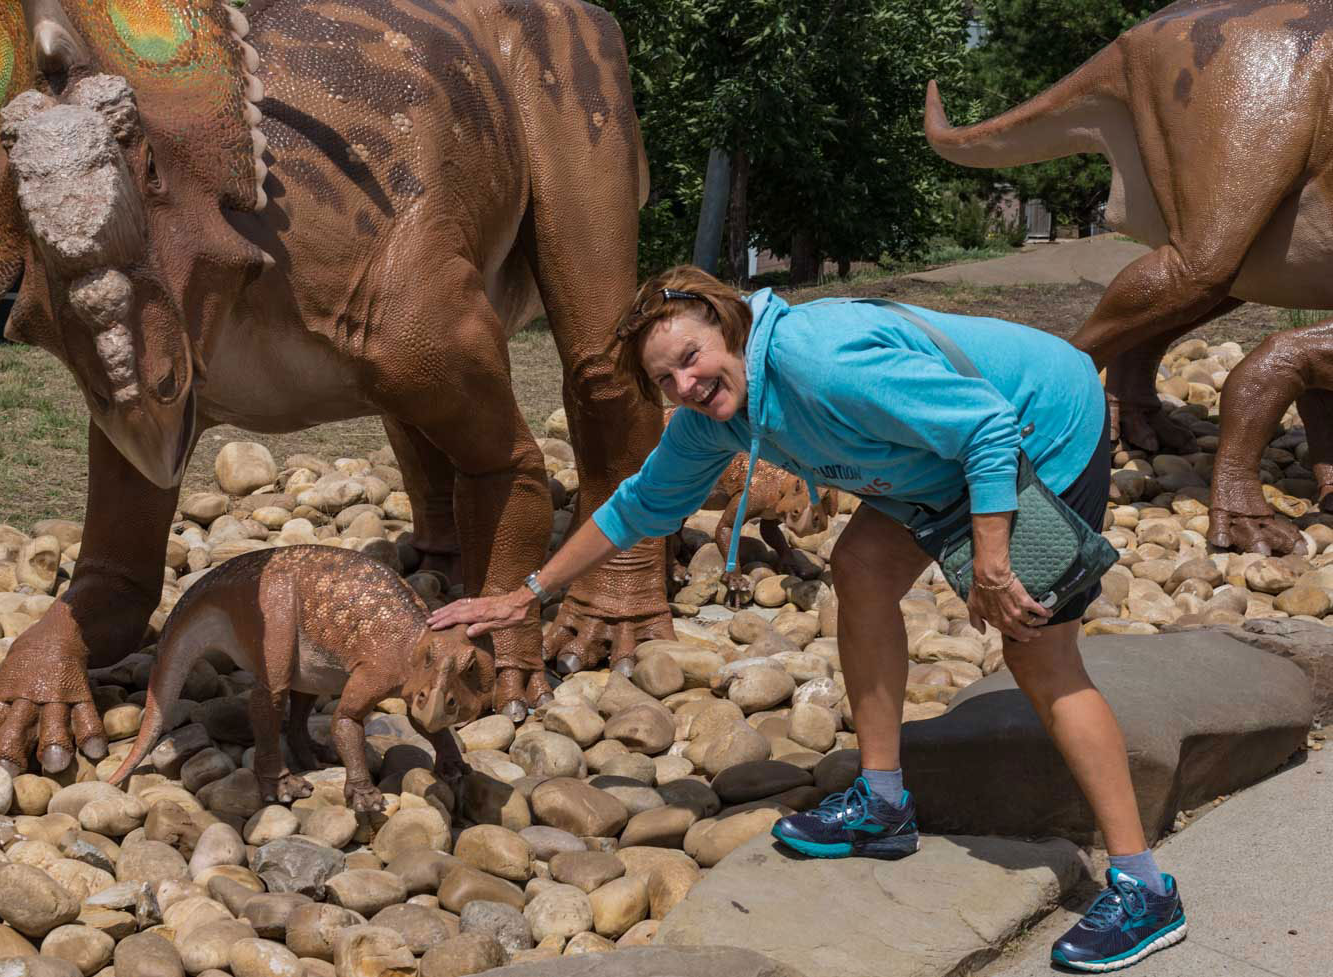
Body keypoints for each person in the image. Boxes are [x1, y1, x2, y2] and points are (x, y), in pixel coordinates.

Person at [427, 265, 1187, 972]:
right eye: (666, 379)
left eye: (692, 357)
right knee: (860, 569)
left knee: (1035, 652)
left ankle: (1144, 889)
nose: (686, 384)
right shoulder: (715, 416)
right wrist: (529, 592)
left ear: (730, 325)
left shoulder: (822, 362)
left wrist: (991, 565)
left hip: (1038, 422)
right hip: (939, 459)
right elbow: (638, 505)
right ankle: (883, 805)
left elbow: (986, 427)